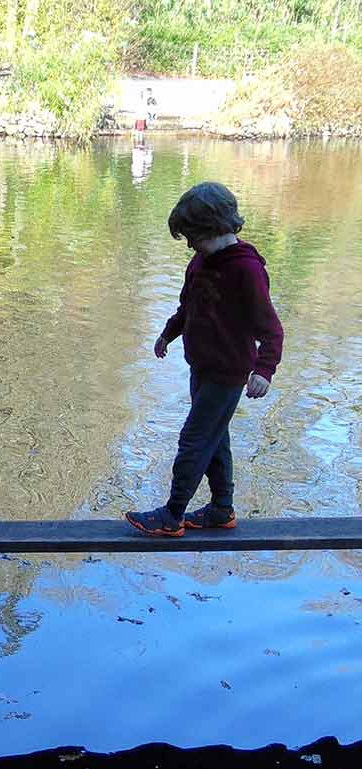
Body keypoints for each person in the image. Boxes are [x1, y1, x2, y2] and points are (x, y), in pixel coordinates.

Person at [124, 182, 284, 537]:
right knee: (215, 439)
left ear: (216, 228)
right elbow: (188, 306)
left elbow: (271, 328)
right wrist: (168, 333)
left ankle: (172, 515)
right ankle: (221, 510)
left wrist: (264, 369)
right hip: (201, 366)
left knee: (194, 440)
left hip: (228, 372)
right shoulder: (200, 262)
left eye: (193, 237)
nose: (190, 245)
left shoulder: (246, 270)